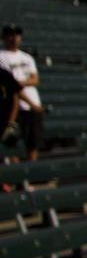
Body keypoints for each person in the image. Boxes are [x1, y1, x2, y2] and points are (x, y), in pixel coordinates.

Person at [0, 24, 44, 162]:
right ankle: (17, 178)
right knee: (13, 144)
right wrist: (23, 84)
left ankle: (31, 177)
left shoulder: (27, 57)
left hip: (33, 104)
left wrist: (22, 83)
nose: (14, 38)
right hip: (14, 107)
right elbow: (11, 86)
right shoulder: (1, 56)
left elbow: (35, 79)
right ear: (4, 37)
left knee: (33, 142)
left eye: (17, 35)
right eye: (10, 35)